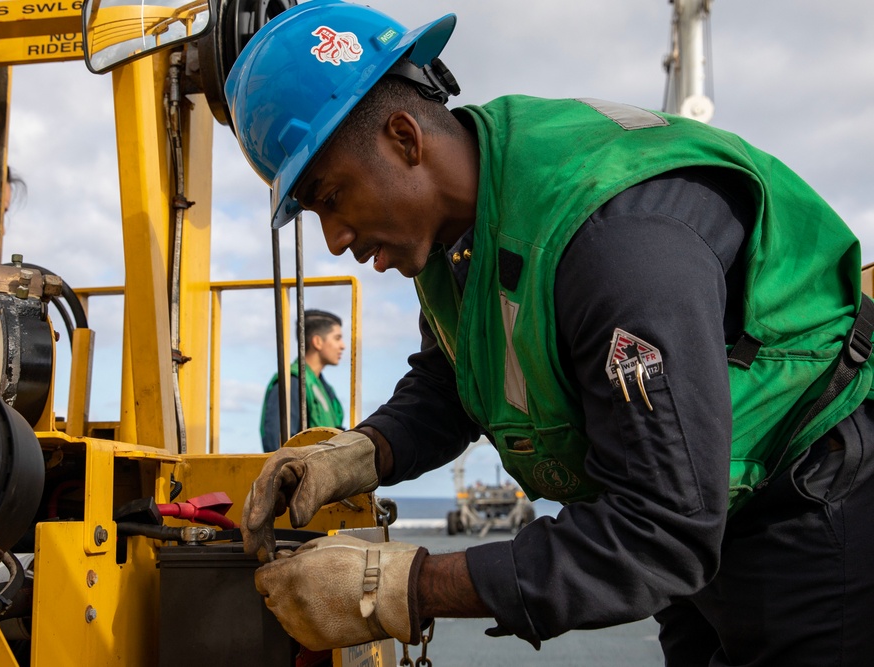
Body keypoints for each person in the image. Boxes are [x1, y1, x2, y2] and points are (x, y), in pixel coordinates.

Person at [224, 1, 874, 664]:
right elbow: (456, 380)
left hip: (812, 504)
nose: (334, 240)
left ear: (404, 139)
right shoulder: (460, 235)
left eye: (331, 197)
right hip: (710, 523)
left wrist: (405, 584)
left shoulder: (613, 245)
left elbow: (660, 531)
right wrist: (359, 452)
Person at [260, 308, 346, 452]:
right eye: (337, 338)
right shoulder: (291, 383)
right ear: (317, 342)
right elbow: (277, 444)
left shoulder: (325, 389)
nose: (343, 346)